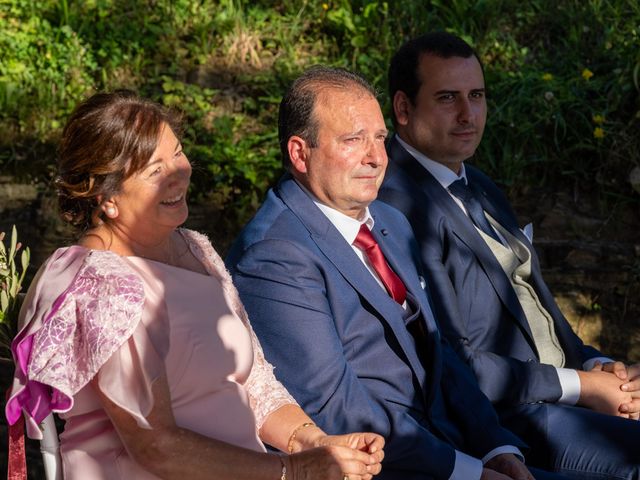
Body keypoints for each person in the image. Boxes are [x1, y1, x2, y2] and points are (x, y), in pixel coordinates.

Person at [5, 90, 385, 480]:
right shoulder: (104, 286)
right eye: (155, 170)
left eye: (178, 152)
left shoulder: (195, 248)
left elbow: (253, 382)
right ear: (107, 196)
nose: (180, 171)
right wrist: (291, 470)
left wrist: (315, 442)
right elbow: (155, 446)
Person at [226, 66, 569, 480]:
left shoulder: (388, 221)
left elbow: (441, 353)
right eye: (353, 140)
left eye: (379, 138)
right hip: (387, 467)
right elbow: (336, 408)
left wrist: (495, 447)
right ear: (300, 153)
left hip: (456, 443)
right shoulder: (274, 255)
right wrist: (467, 472)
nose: (376, 157)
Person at [378, 31, 640, 478]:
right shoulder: (395, 204)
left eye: (476, 95)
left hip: (566, 391)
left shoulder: (479, 184)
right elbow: (454, 361)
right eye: (447, 98)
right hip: (510, 417)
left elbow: (535, 309)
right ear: (403, 109)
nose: (468, 115)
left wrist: (601, 367)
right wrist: (584, 387)